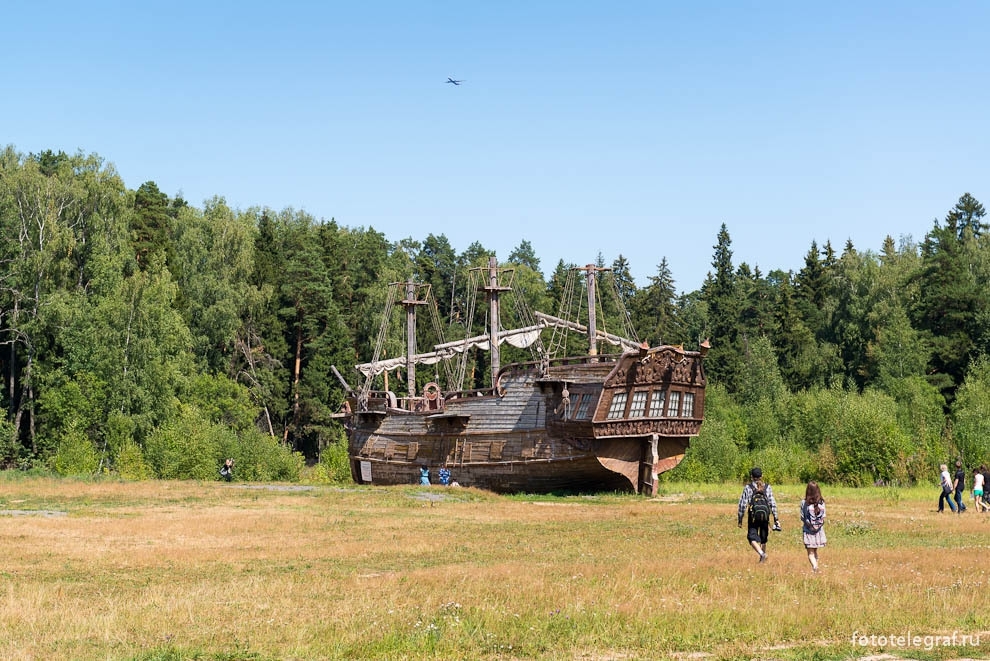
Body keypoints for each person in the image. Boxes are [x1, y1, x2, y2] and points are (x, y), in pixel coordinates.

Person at [737, 467, 780, 563]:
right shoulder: (767, 487)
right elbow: (772, 503)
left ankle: (762, 554)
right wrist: (776, 519)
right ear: (761, 476)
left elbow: (742, 504)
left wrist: (740, 518)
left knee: (751, 537)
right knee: (763, 539)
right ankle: (762, 561)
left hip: (753, 517)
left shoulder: (748, 488)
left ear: (751, 477)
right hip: (765, 517)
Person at [800, 482, 827, 573]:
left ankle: (815, 567)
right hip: (819, 531)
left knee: (810, 553)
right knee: (815, 551)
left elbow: (802, 517)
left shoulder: (804, 503)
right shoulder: (822, 502)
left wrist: (809, 525)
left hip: (808, 531)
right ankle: (816, 568)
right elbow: (824, 517)